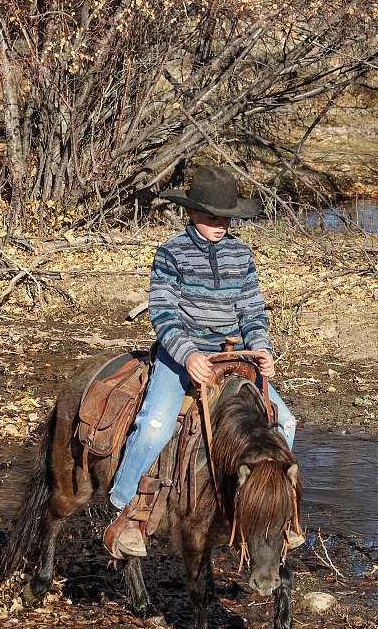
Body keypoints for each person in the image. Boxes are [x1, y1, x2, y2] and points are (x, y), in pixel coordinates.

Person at [106, 165, 297, 558]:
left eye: (225, 217)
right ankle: (124, 510)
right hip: (181, 355)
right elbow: (163, 313)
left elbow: (252, 310)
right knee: (156, 426)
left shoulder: (241, 255)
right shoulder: (170, 252)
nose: (219, 225)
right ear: (191, 213)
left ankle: (270, 510)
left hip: (234, 357)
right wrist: (188, 354)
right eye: (211, 217)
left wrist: (262, 348)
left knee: (287, 421)